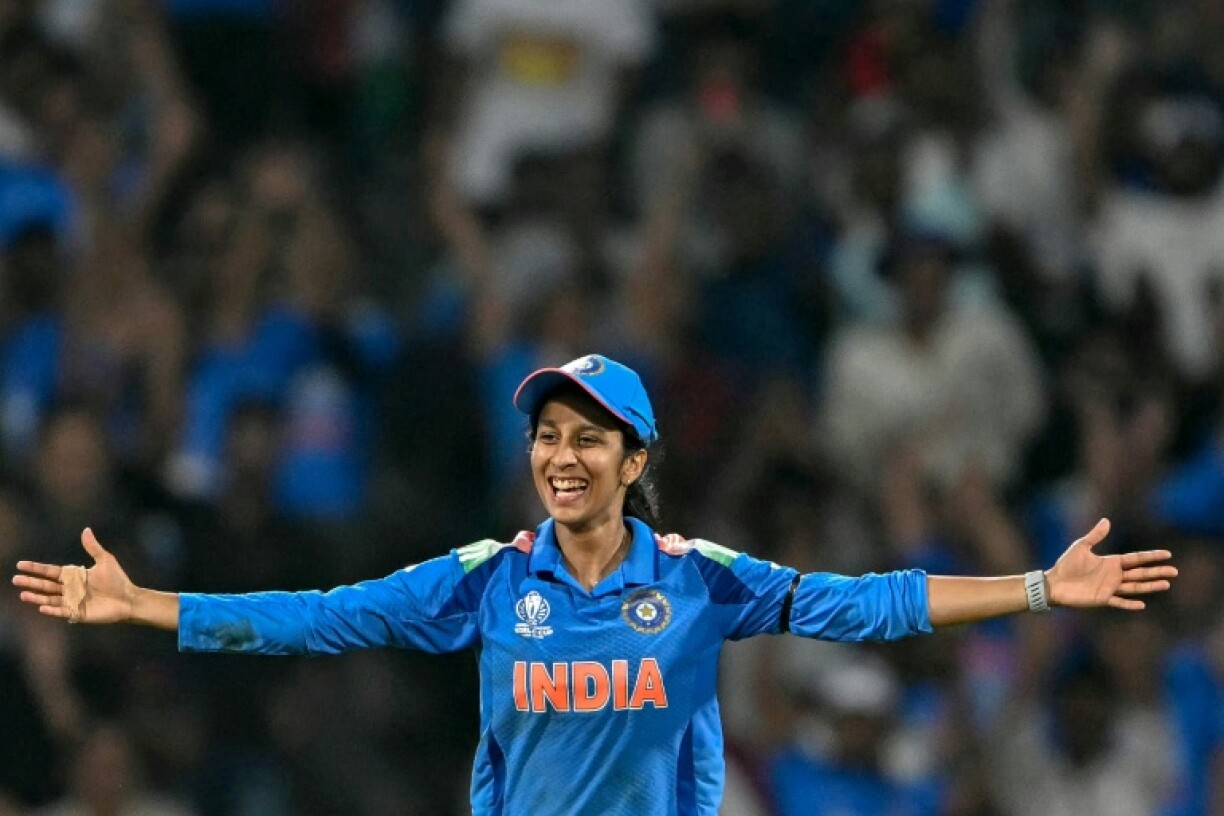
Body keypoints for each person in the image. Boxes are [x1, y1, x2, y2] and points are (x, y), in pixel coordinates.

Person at [12, 354, 1178, 815]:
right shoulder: (487, 578)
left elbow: (869, 603)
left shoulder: (699, 580)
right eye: (547, 435)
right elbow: (319, 620)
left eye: (588, 437)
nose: (560, 455)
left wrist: (1037, 587)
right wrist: (148, 608)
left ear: (638, 462)